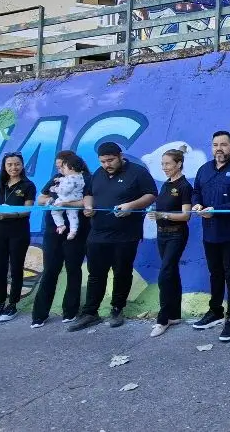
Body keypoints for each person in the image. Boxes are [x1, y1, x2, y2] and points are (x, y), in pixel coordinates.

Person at [69, 142, 158, 332]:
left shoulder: (138, 172)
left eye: (110, 160)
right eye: (102, 161)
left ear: (120, 156)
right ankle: (90, 313)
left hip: (125, 235)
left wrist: (131, 206)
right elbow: (89, 194)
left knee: (122, 273)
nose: (106, 165)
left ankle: (117, 309)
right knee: (95, 275)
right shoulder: (98, 174)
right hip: (98, 233)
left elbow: (151, 195)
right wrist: (88, 207)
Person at [191, 131, 230, 343]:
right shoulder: (204, 170)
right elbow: (196, 191)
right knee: (214, 273)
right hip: (209, 232)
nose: (219, 148)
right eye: (215, 145)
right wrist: (197, 204)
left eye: (224, 145)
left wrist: (215, 210)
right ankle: (215, 311)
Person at [31, 151, 91, 328]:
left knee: (73, 269)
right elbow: (41, 199)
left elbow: (88, 202)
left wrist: (66, 203)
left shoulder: (86, 178)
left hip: (77, 230)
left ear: (71, 164)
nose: (59, 169)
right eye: (57, 166)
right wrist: (51, 198)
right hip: (53, 229)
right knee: (50, 269)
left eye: (61, 166)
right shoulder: (57, 178)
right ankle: (39, 314)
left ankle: (70, 311)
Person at [0, 152, 36, 323]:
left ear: (22, 165)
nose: (13, 167)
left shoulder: (28, 185)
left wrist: (8, 215)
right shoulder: (1, 184)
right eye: (10, 165)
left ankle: (12, 305)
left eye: (17, 164)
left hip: (19, 232)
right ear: (4, 167)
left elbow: (27, 211)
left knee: (16, 269)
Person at [146, 146, 194, 337]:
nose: (164, 167)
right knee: (171, 272)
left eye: (168, 164)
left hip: (176, 234)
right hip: (162, 234)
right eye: (162, 164)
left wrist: (162, 214)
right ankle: (174, 315)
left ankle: (162, 319)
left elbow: (185, 216)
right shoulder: (165, 185)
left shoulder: (184, 186)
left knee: (164, 274)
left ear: (179, 164)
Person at [51, 159, 86, 239]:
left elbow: (65, 190)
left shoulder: (71, 179)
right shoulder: (79, 176)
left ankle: (61, 225)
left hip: (66, 199)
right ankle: (73, 231)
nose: (62, 170)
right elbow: (67, 180)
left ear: (72, 168)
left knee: (54, 211)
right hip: (76, 199)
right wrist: (59, 179)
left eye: (64, 168)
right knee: (73, 216)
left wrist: (54, 189)